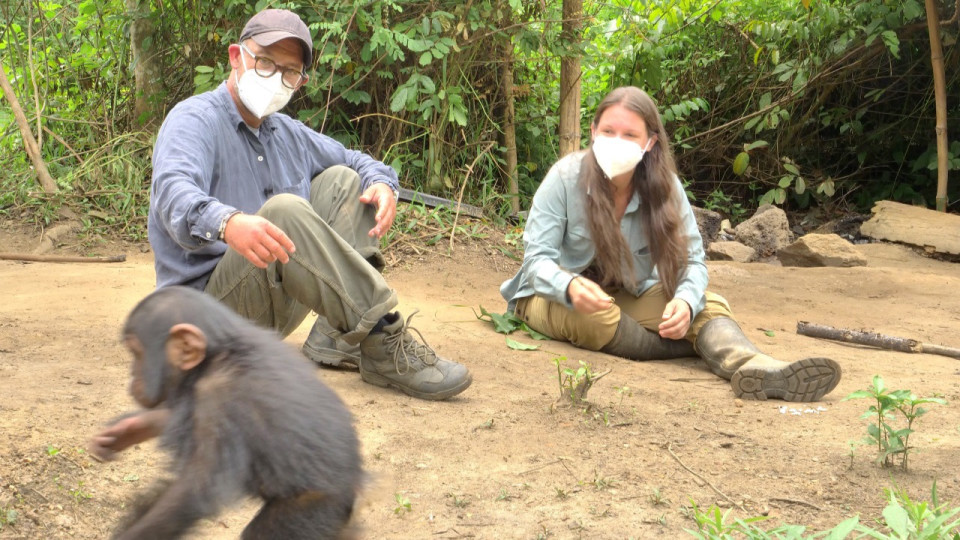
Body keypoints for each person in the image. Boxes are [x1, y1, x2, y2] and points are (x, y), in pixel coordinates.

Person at [148, 8, 471, 400]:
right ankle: (383, 335)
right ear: (237, 57)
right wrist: (228, 222)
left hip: (264, 303)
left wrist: (383, 184)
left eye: (289, 72)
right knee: (285, 209)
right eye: (266, 62)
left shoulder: (285, 132)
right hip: (203, 321)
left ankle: (339, 336)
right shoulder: (193, 120)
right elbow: (173, 192)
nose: (276, 79)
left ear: (300, 82)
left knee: (347, 183)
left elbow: (355, 160)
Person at [500, 86, 841, 402]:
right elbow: (536, 263)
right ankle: (694, 348)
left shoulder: (667, 188)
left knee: (708, 305)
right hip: (547, 296)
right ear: (592, 132)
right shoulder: (563, 178)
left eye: (630, 134)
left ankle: (760, 367)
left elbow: (693, 263)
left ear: (649, 142)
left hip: (624, 293)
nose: (616, 141)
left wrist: (685, 303)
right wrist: (570, 284)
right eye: (607, 132)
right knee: (598, 318)